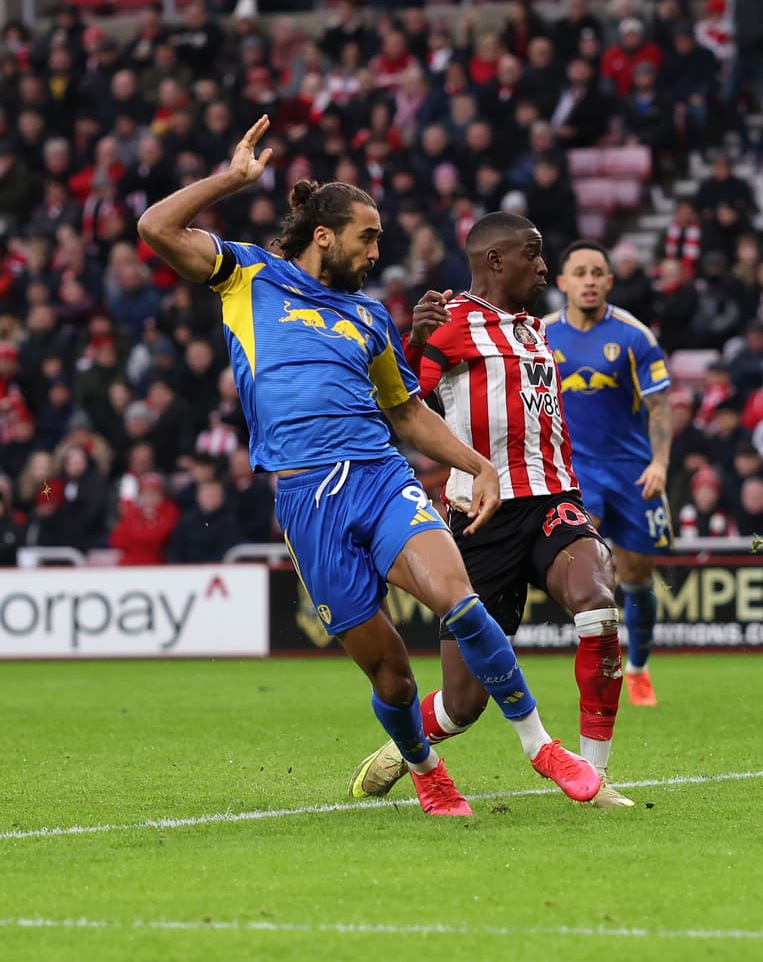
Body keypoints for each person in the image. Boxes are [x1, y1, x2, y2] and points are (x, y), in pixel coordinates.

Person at [135, 116, 601, 816]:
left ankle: (541, 745)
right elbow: (155, 228)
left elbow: (408, 414)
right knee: (394, 677)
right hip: (307, 498)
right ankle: (424, 765)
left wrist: (481, 466)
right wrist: (231, 181)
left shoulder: (369, 317)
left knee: (458, 597)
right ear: (324, 235)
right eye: (367, 236)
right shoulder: (247, 276)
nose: (378, 250)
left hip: (381, 475)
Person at [350, 212, 633, 809]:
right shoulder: (452, 323)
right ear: (496, 260)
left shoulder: (534, 329)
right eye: (533, 254)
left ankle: (596, 772)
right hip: (481, 517)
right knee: (463, 703)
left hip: (554, 501)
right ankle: (407, 744)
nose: (544, 267)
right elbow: (404, 401)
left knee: (598, 605)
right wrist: (416, 342)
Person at [543, 241, 675, 706]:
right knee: (588, 568)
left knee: (637, 571)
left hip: (634, 471)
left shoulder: (634, 336)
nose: (590, 280)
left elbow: (659, 405)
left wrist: (659, 463)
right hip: (576, 473)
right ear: (562, 282)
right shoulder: (542, 335)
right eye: (579, 272)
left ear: (610, 282)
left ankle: (638, 666)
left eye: (598, 272)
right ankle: (601, 664)